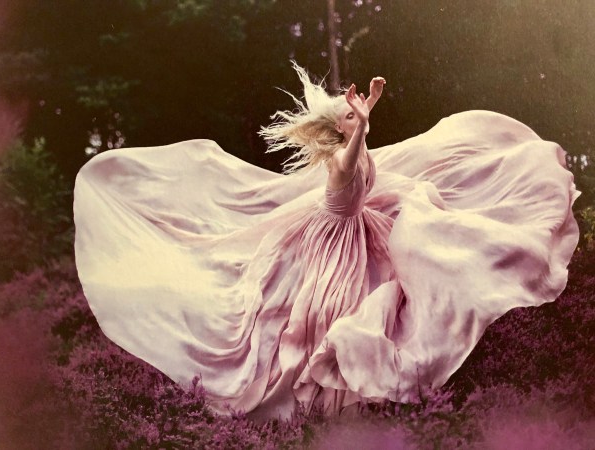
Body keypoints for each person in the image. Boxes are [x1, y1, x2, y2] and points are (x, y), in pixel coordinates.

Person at [73, 61, 580, 422]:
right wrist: (362, 121)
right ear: (341, 130)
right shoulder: (340, 159)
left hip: (360, 230)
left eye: (354, 116)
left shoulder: (355, 142)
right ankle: (317, 397)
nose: (356, 120)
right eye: (349, 118)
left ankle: (362, 385)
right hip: (332, 242)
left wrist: (368, 106)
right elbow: (354, 151)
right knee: (316, 315)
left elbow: (363, 141)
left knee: (412, 258)